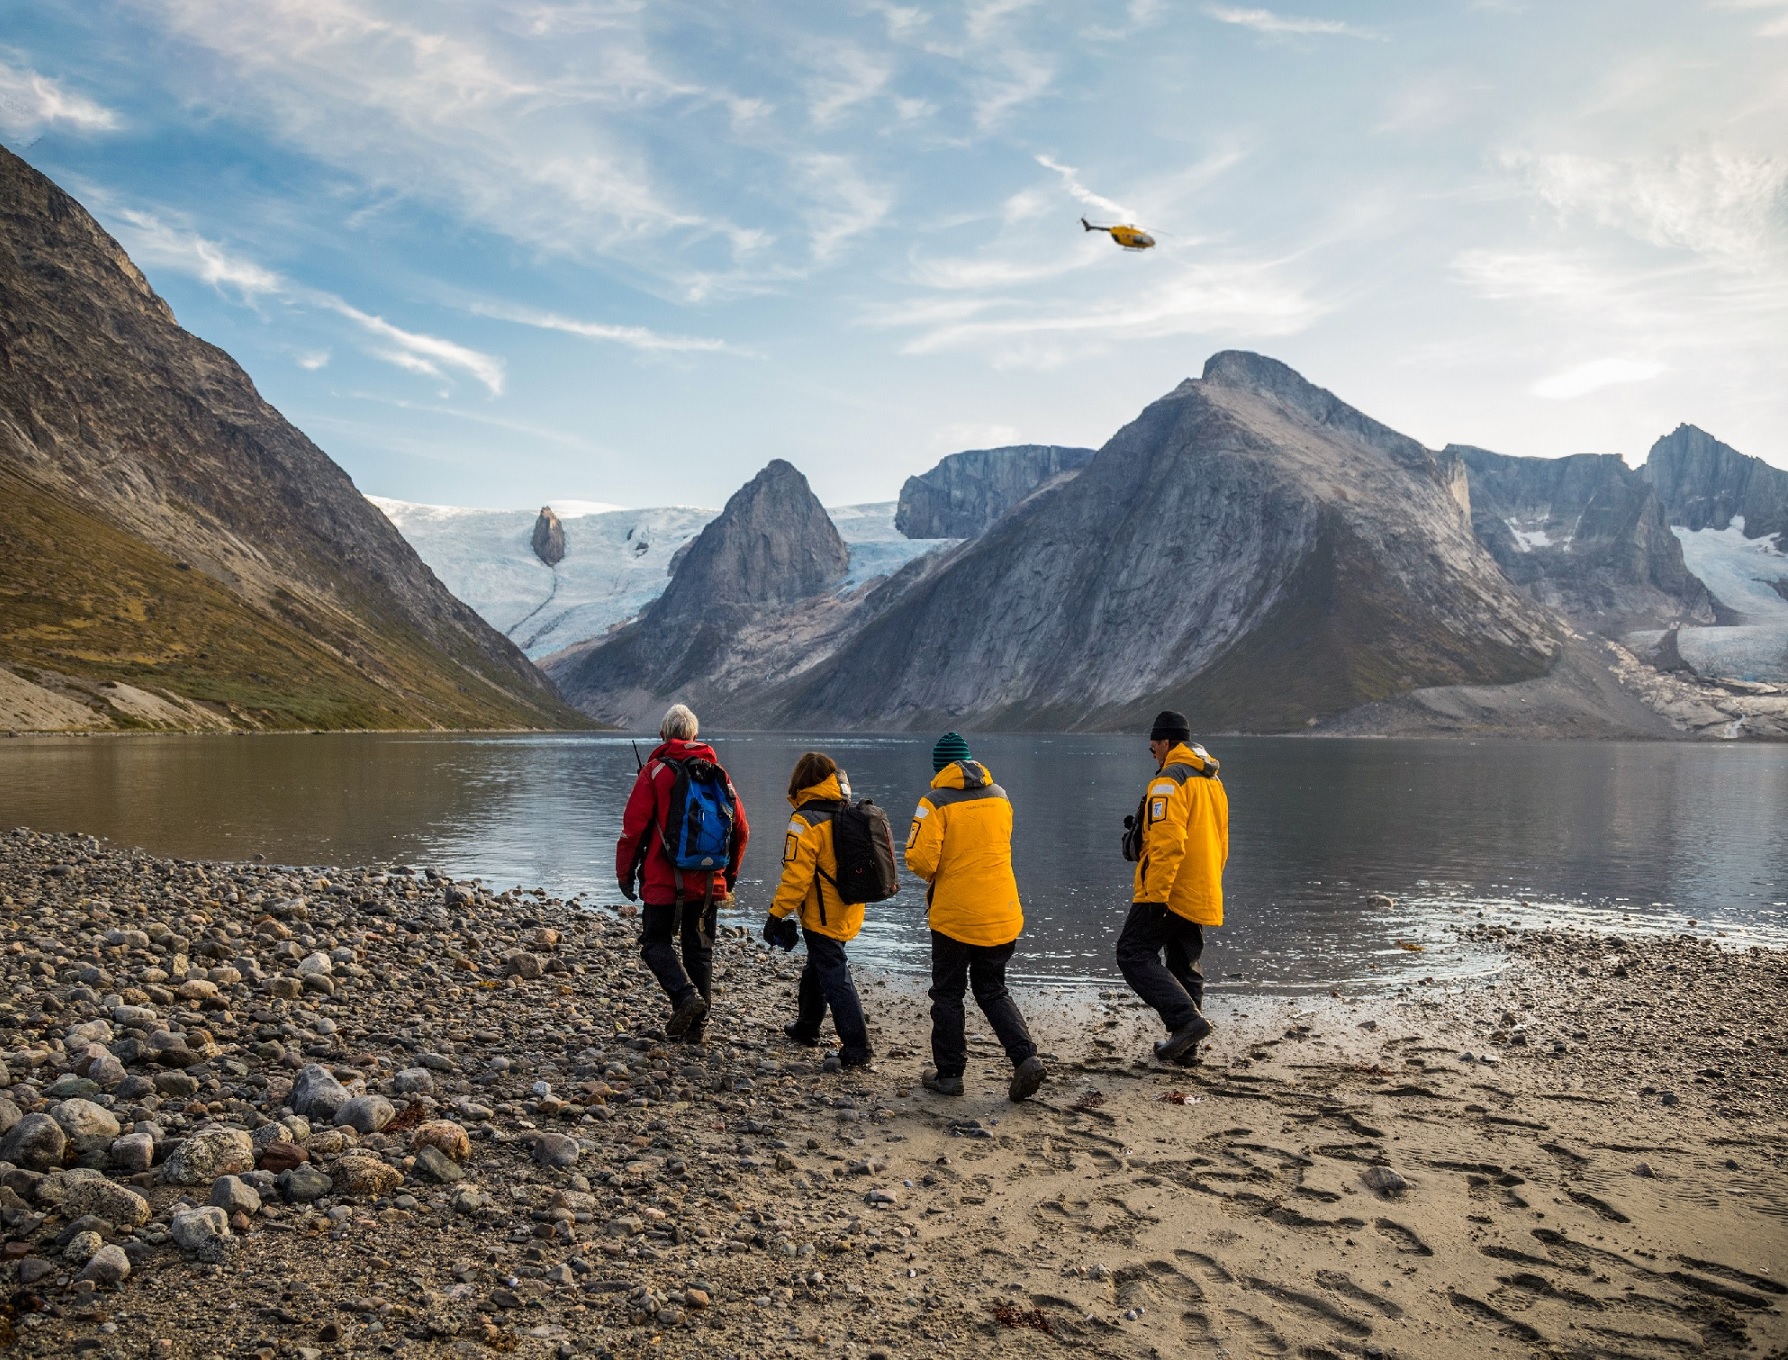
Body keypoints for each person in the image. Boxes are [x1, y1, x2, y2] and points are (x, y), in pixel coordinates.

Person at [905, 732, 1046, 1103]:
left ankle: (949, 1075)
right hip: (1001, 912)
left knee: (948, 994)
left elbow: (921, 861)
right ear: (970, 762)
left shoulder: (934, 803)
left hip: (955, 917)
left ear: (940, 767)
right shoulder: (1000, 797)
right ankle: (1024, 1057)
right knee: (992, 988)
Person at [615, 703, 750, 1040]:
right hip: (708, 883)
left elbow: (632, 831)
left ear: (663, 735)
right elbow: (742, 830)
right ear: (695, 736)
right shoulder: (717, 772)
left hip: (663, 881)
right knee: (700, 949)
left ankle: (684, 998)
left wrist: (625, 875)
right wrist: (728, 877)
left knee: (654, 943)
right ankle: (696, 1030)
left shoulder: (654, 772)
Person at [1118, 709, 1228, 1064]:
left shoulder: (1169, 781)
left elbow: (1168, 843)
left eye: (1153, 747)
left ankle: (1186, 1021)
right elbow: (1222, 841)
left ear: (1166, 742)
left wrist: (1155, 894)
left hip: (1171, 887)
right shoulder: (1212, 781)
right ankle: (1187, 1050)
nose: (1152, 752)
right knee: (1185, 963)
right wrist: (1210, 879)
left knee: (1133, 953)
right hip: (1201, 883)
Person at [764, 752, 873, 1069]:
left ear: (800, 782)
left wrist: (775, 915)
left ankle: (857, 1047)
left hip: (822, 915)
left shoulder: (805, 821)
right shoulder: (845, 811)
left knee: (835, 977)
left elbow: (796, 879)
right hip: (849, 908)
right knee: (817, 969)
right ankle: (807, 1028)